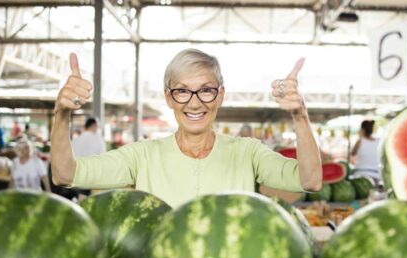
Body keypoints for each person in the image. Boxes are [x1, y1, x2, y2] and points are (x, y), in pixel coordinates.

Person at [51, 49, 322, 208]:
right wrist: (61, 114)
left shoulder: (248, 153)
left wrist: (300, 115)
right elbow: (65, 174)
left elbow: (310, 180)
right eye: (182, 91)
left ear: (220, 95)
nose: (194, 103)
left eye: (206, 90)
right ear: (169, 97)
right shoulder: (142, 156)